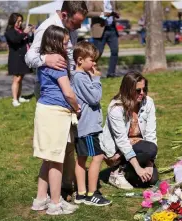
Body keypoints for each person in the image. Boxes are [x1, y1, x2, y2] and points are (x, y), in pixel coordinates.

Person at [25, 1, 88, 198]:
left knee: (68, 143)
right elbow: (29, 57)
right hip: (53, 95)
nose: (78, 28)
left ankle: (64, 186)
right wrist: (46, 60)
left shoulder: (70, 28)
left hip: (66, 87)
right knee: (57, 148)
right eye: (76, 23)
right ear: (63, 15)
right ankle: (57, 195)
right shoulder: (47, 28)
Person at [31, 25, 81, 215]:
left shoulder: (46, 60)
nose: (68, 47)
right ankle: (54, 204)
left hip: (45, 110)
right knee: (56, 159)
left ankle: (40, 199)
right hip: (55, 113)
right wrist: (77, 107)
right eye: (65, 43)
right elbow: (68, 92)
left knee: (49, 158)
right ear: (55, 42)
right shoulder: (58, 62)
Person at [100, 72, 159, 190]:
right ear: (128, 90)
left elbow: (151, 134)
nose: (142, 93)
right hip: (118, 150)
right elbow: (121, 141)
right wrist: (139, 168)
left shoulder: (148, 102)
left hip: (139, 146)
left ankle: (128, 171)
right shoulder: (116, 108)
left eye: (144, 89)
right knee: (150, 149)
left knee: (151, 180)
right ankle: (118, 171)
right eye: (138, 90)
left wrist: (149, 163)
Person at [71, 41, 111, 206]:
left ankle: (80, 193)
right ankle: (92, 193)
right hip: (88, 127)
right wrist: (96, 79)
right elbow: (94, 98)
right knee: (97, 156)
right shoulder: (81, 77)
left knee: (81, 158)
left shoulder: (77, 76)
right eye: (92, 60)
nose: (95, 63)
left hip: (82, 126)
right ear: (80, 60)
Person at [5, 13, 33, 107]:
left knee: (21, 79)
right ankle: (14, 99)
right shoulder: (9, 31)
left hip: (23, 58)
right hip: (16, 58)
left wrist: (31, 32)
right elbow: (15, 40)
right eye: (18, 21)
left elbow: (27, 40)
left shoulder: (20, 30)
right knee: (16, 79)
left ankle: (19, 96)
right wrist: (24, 33)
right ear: (13, 21)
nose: (20, 23)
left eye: (21, 21)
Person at [87, 1, 120, 78]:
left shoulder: (112, 1)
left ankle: (111, 74)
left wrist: (116, 14)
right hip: (99, 29)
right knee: (97, 53)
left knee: (115, 51)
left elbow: (116, 10)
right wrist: (102, 14)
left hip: (112, 29)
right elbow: (87, 13)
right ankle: (91, 72)